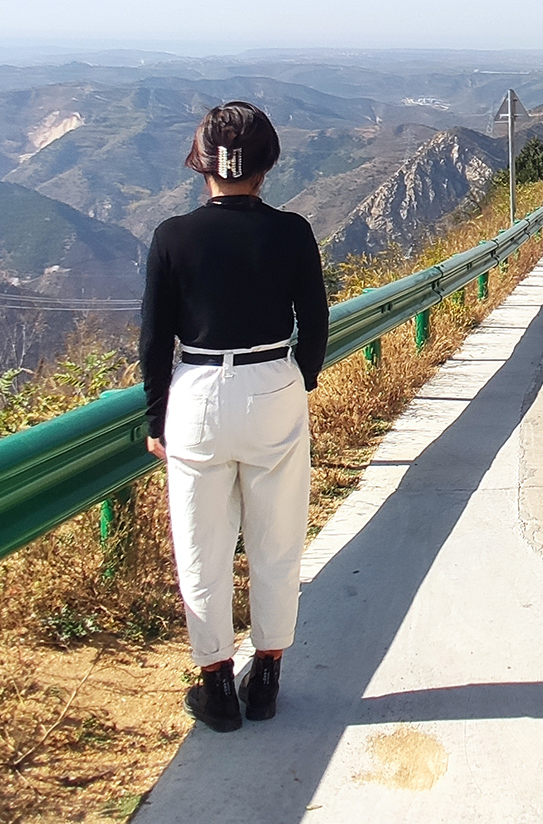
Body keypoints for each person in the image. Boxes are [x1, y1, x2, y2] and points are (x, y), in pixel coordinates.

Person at [140, 101, 327, 732]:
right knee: (277, 539)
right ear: (267, 164)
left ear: (202, 165)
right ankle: (267, 674)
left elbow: (153, 340)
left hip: (196, 389)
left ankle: (216, 682)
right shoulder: (293, 231)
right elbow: (317, 322)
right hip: (273, 380)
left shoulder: (172, 237)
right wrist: (298, 379)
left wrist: (155, 418)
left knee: (202, 546)